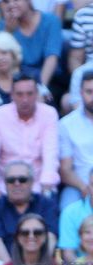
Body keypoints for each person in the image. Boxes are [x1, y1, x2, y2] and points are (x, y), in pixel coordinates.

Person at [0, 75, 60, 199]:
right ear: (12, 95)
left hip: (39, 185)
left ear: (37, 94)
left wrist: (46, 188)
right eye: (20, 94)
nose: (25, 99)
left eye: (29, 94)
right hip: (5, 187)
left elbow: (50, 154)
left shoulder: (49, 114)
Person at [0, 160, 58, 263]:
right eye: (11, 180)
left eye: (22, 180)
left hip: (41, 264)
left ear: (32, 182)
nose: (17, 184)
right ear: (5, 183)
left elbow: (51, 238)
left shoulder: (46, 204)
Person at [0, 0, 61, 91]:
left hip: (49, 81)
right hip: (17, 83)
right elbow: (3, 61)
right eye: (7, 1)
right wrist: (8, 32)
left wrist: (40, 89)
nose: (11, 4)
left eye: (16, 0)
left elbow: (51, 57)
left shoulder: (51, 21)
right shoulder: (4, 25)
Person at [59, 71, 93, 212]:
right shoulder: (66, 124)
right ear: (80, 93)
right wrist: (84, 187)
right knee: (68, 208)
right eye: (89, 91)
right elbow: (65, 169)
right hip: (79, 185)